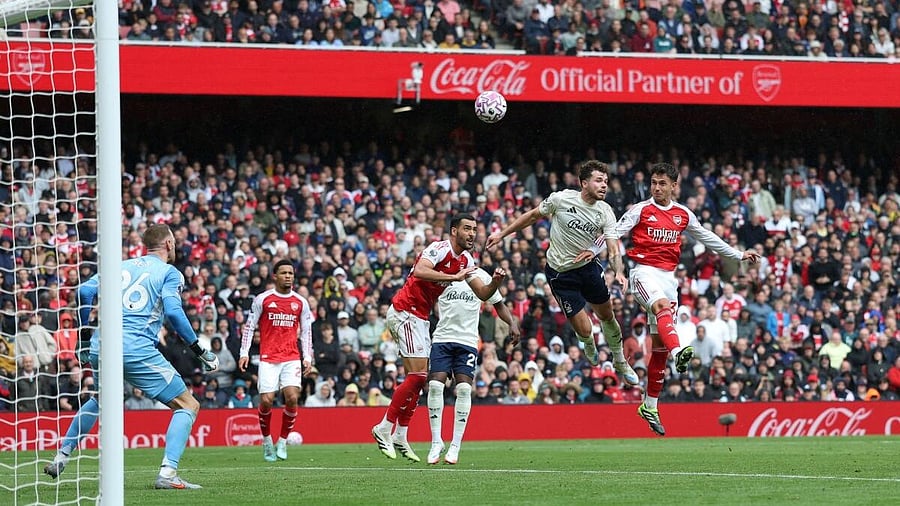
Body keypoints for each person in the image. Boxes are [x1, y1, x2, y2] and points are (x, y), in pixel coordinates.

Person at [44, 224, 219, 489]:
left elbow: (84, 292)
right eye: (174, 241)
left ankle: (61, 456)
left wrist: (84, 338)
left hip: (101, 345)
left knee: (101, 400)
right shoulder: (170, 273)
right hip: (134, 347)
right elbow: (173, 312)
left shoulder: (120, 266)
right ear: (169, 244)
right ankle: (167, 474)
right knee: (188, 405)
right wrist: (200, 351)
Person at [615, 163, 760, 436]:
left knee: (659, 348)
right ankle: (679, 352)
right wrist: (590, 251)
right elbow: (613, 233)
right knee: (660, 309)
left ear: (674, 186)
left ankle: (650, 406)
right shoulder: (640, 210)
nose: (657, 188)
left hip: (669, 281)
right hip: (643, 273)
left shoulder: (683, 214)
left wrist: (738, 254)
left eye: (662, 183)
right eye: (653, 183)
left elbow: (708, 237)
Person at [486, 160, 637, 384]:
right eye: (598, 180)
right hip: (560, 274)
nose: (604, 185)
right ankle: (588, 343)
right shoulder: (561, 199)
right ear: (583, 183)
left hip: (588, 269)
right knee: (585, 329)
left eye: (606, 181)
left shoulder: (605, 211)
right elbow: (532, 216)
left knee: (607, 315)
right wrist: (502, 234)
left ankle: (620, 360)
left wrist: (619, 272)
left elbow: (613, 248)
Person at [371, 214, 506, 462]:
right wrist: (452, 277)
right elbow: (420, 271)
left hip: (420, 317)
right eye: (467, 229)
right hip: (405, 310)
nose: (472, 234)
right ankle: (384, 427)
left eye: (474, 229)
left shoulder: (466, 260)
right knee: (418, 376)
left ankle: (400, 434)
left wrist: (495, 283)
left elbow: (483, 293)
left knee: (419, 380)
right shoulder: (439, 248)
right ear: (454, 231)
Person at [426, 265, 520, 464]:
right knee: (434, 385)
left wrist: (512, 323)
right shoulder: (443, 273)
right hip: (442, 338)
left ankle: (455, 446)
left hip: (467, 341)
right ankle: (436, 441)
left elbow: (498, 304)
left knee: (464, 389)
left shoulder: (481, 276)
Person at [238, 259, 313, 462]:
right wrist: (244, 352)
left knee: (292, 398)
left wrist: (307, 357)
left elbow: (306, 332)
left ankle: (282, 441)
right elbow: (249, 327)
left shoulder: (301, 302)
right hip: (268, 358)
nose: (288, 276)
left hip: (291, 356)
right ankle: (267, 441)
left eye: (291, 273)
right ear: (275, 276)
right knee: (266, 400)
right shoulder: (263, 299)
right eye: (283, 273)